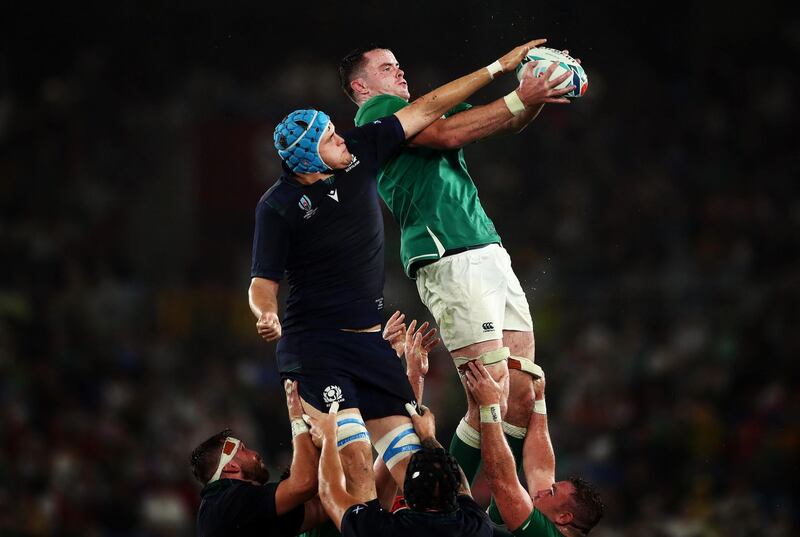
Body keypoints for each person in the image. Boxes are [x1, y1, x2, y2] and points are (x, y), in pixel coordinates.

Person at [248, 40, 544, 506]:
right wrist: (266, 313)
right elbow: (262, 281)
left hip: (377, 334)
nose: (341, 138)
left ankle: (447, 516)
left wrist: (525, 90)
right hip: (325, 337)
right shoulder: (282, 202)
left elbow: (463, 115)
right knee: (362, 460)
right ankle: (458, 519)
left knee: (444, 441)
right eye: (329, 138)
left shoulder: (361, 152)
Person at [340, 42, 576, 486]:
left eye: (399, 64)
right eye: (387, 68)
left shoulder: (427, 111)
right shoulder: (377, 116)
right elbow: (450, 135)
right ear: (361, 85)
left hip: (487, 248)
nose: (400, 72)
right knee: (488, 396)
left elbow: (500, 120)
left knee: (522, 395)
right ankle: (446, 506)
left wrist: (536, 92)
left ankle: (508, 517)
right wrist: (512, 87)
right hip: (447, 255)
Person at [309, 398, 493, 536]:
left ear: (406, 495)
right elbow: (463, 489)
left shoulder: (384, 531)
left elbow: (330, 493)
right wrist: (429, 438)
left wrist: (328, 438)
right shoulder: (476, 527)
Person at [463, 360, 604, 536]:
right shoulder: (553, 523)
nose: (541, 491)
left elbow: (501, 482)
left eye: (551, 492)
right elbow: (540, 469)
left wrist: (489, 406)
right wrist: (539, 399)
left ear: (564, 517)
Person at [190, 380, 327, 537]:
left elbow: (318, 509)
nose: (255, 453)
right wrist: (297, 420)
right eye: (243, 450)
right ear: (231, 466)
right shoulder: (228, 503)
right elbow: (304, 484)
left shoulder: (238, 510)